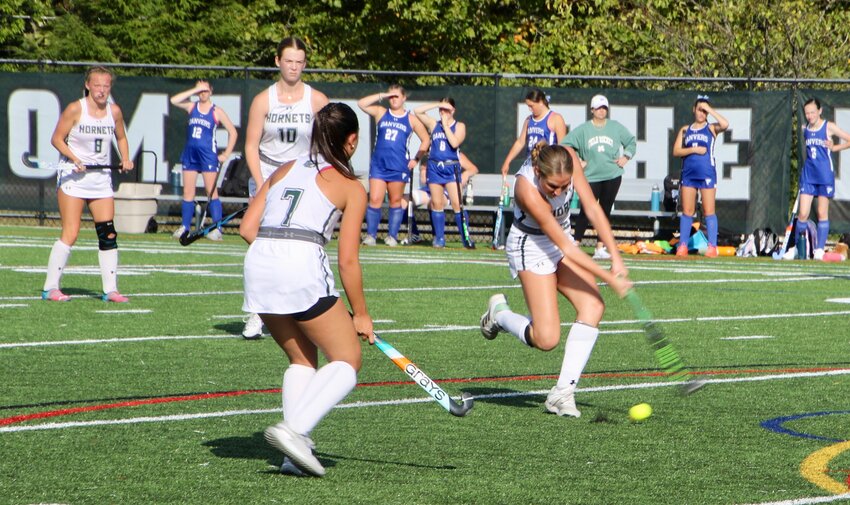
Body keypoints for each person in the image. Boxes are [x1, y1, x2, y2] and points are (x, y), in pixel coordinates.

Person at [240, 102, 373, 478]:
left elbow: (248, 229)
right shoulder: (351, 187)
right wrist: (359, 313)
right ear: (352, 140)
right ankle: (294, 430)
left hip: (259, 263)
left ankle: (291, 454)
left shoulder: (283, 169)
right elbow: (348, 260)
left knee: (302, 360)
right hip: (299, 265)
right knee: (347, 359)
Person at [479, 141, 631, 419]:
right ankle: (499, 314)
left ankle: (562, 393)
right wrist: (609, 277)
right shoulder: (526, 189)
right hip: (530, 246)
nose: (560, 193)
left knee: (593, 306)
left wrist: (616, 257)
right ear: (537, 172)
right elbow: (569, 249)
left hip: (561, 239)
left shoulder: (568, 157)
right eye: (553, 188)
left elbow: (593, 209)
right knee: (546, 339)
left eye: (564, 186)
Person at [241, 36, 329, 339]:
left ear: (304, 64)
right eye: (288, 60)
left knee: (301, 242)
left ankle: (303, 307)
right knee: (258, 239)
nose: (293, 67)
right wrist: (260, 182)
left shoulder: (316, 100)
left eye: (299, 61)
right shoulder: (263, 100)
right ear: (278, 61)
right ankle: (258, 311)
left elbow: (327, 141)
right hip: (267, 173)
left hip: (301, 177)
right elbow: (251, 145)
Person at [42, 66, 135, 303]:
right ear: (88, 85)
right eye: (97, 85)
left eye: (106, 86)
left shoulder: (114, 112)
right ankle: (50, 287)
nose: (101, 90)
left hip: (100, 180)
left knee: (108, 233)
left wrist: (125, 158)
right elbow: (56, 139)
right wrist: (74, 158)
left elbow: (121, 137)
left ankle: (110, 290)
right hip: (74, 179)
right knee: (71, 233)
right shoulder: (76, 109)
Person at [563, 95, 636, 259]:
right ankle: (576, 242)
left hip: (612, 174)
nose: (601, 111)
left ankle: (600, 247)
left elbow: (631, 141)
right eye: (598, 108)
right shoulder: (583, 130)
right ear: (592, 110)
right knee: (586, 210)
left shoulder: (615, 127)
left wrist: (626, 156)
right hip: (590, 176)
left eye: (604, 108)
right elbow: (566, 144)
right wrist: (577, 161)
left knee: (605, 210)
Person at [357, 85, 430, 246]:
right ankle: (371, 236)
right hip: (379, 165)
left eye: (397, 96)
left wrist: (416, 159)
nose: (393, 99)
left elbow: (426, 140)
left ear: (404, 98)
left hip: (398, 166)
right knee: (375, 199)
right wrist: (383, 94)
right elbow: (361, 103)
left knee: (395, 201)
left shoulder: (410, 119)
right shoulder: (381, 112)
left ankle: (392, 236)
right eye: (391, 96)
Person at [169, 80, 238, 241]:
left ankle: (217, 228)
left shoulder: (216, 111)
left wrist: (226, 154)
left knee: (211, 191)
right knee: (188, 192)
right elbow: (174, 100)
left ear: (211, 92)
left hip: (207, 155)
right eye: (200, 91)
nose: (202, 93)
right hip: (190, 154)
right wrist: (194, 89)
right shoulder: (192, 107)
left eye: (205, 90)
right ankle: (185, 226)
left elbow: (233, 132)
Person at [672, 94, 730, 258]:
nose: (701, 113)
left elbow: (725, 124)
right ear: (693, 110)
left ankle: (712, 246)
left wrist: (710, 109)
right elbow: (676, 151)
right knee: (688, 211)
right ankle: (682, 246)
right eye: (699, 109)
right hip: (689, 174)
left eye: (704, 111)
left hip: (707, 174)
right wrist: (693, 150)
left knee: (708, 210)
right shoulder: (685, 130)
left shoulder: (711, 128)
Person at [413, 98, 474, 248]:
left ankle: (466, 238)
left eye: (446, 109)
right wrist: (437, 104)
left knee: (456, 204)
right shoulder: (434, 124)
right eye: (441, 109)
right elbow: (417, 111)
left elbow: (454, 143)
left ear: (453, 110)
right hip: (434, 168)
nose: (442, 112)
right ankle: (439, 238)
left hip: (451, 168)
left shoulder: (459, 126)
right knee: (436, 203)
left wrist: (446, 125)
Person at [795, 98, 850, 260]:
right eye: (807, 113)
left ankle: (819, 249)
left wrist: (834, 147)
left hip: (824, 175)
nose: (810, 115)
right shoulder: (805, 128)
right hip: (808, 175)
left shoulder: (828, 127)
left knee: (821, 212)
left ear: (819, 111)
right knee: (803, 214)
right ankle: (798, 248)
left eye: (813, 112)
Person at [401, 152, 478, 244]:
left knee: (434, 201)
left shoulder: (454, 153)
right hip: (428, 189)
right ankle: (414, 234)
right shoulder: (428, 154)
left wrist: (465, 174)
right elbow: (423, 179)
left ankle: (438, 236)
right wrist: (424, 168)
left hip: (446, 191)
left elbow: (473, 169)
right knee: (403, 201)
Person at [500, 88, 567, 177]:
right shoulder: (529, 120)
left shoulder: (555, 118)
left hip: (547, 165)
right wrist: (507, 161)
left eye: (531, 106)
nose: (530, 109)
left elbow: (562, 146)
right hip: (531, 165)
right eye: (528, 106)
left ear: (540, 102)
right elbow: (520, 142)